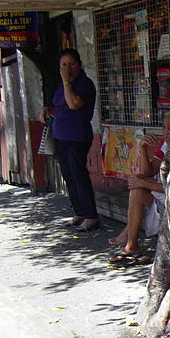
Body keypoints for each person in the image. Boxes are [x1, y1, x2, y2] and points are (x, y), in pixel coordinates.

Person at [108, 110, 170, 266]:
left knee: (139, 185)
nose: (165, 132)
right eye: (164, 127)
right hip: (161, 197)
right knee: (138, 184)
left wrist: (144, 183)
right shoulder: (165, 145)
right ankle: (131, 244)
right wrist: (142, 148)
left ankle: (130, 240)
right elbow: (149, 171)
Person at [41, 48, 99, 232]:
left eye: (71, 64)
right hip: (60, 134)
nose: (67, 68)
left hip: (77, 135)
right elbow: (62, 106)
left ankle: (91, 216)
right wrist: (49, 110)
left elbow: (74, 104)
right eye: (63, 65)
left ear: (79, 65)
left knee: (78, 174)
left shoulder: (84, 84)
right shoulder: (62, 85)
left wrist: (67, 81)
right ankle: (79, 212)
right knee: (68, 174)